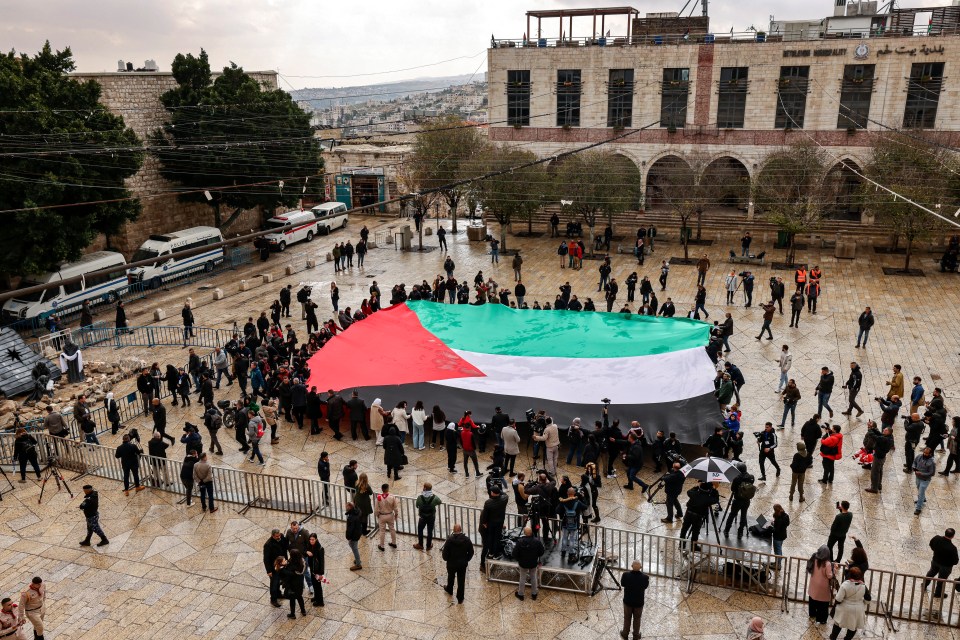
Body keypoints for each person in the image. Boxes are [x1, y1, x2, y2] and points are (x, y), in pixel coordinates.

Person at [831, 567, 868, 640]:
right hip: (858, 609)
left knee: (838, 623)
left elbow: (838, 599)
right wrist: (862, 603)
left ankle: (833, 637)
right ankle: (847, 639)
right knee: (853, 626)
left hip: (844, 608)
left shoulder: (845, 584)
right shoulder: (864, 586)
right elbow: (868, 599)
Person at [479, 485, 508, 570]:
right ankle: (494, 553)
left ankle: (488, 557)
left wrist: (484, 523)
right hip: (499, 523)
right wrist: (499, 490)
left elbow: (484, 517)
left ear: (492, 493)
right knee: (496, 538)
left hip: (490, 525)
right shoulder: (504, 499)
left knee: (488, 543)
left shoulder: (488, 503)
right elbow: (505, 494)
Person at [924, 528, 959, 598]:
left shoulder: (936, 538)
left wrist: (936, 551)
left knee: (931, 573)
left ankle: (924, 585)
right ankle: (938, 593)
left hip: (935, 561)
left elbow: (931, 544)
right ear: (953, 536)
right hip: (946, 567)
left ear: (945, 533)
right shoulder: (952, 548)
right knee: (941, 579)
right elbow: (955, 561)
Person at [514, 525, 545, 601]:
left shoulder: (520, 542)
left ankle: (521, 594)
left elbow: (514, 553)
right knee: (533, 577)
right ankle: (534, 593)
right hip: (533, 563)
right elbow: (542, 552)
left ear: (524, 533)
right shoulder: (537, 541)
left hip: (523, 563)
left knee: (522, 578)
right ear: (531, 533)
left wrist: (519, 559)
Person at [620, 560, 649, 640]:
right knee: (637, 619)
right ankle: (636, 635)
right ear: (641, 567)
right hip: (639, 603)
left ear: (631, 566)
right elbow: (645, 587)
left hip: (627, 602)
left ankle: (625, 633)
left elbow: (622, 584)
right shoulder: (645, 577)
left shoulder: (625, 575)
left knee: (627, 618)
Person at [724, 464, 755, 538]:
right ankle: (740, 532)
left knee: (732, 515)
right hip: (746, 500)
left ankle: (727, 530)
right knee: (743, 516)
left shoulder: (737, 478)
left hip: (737, 500)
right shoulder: (751, 477)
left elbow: (733, 489)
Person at [807, 545, 835, 624]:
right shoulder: (827, 564)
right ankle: (821, 619)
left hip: (813, 583)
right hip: (823, 586)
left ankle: (812, 614)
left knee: (812, 599)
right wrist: (835, 570)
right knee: (823, 603)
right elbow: (829, 575)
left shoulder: (814, 559)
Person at [263, 529, 288, 607]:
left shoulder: (282, 537)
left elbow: (285, 546)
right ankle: (273, 599)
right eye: (277, 536)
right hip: (274, 567)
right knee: (274, 583)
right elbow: (266, 559)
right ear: (272, 536)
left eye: (279, 535)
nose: (278, 537)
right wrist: (269, 571)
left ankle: (279, 594)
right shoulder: (268, 545)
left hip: (282, 564)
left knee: (279, 581)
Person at [414, 483, 441, 551]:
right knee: (430, 531)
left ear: (425, 488)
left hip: (422, 517)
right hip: (431, 517)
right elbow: (440, 502)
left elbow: (417, 505)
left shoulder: (420, 497)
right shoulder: (434, 498)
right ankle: (428, 546)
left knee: (420, 530)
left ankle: (420, 544)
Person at [282, 550, 308, 619]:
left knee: (292, 599)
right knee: (300, 597)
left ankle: (292, 614)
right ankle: (303, 611)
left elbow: (288, 574)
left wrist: (283, 568)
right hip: (300, 583)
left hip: (292, 584)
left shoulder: (291, 565)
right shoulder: (302, 562)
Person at [375, 483, 399, 551]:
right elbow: (395, 507)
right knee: (392, 529)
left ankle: (382, 546)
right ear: (387, 489)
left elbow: (376, 509)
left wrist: (377, 515)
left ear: (382, 489)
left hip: (382, 515)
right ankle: (394, 543)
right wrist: (396, 514)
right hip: (390, 514)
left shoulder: (379, 497)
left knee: (382, 531)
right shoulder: (392, 497)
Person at [913, 446, 936, 515]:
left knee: (920, 492)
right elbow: (914, 462)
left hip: (925, 480)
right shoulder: (919, 456)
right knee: (918, 488)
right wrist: (914, 467)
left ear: (930, 454)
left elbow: (932, 473)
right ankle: (923, 498)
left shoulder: (932, 462)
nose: (925, 454)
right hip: (918, 477)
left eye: (926, 453)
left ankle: (918, 508)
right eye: (924, 452)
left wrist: (921, 473)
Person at [304, 534, 325, 607]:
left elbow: (322, 562)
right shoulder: (310, 546)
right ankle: (316, 597)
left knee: (318, 586)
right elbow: (304, 550)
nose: (311, 541)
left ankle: (320, 601)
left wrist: (320, 573)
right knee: (314, 584)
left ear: (316, 539)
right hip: (312, 569)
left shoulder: (320, 548)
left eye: (313, 539)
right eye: (310, 539)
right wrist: (306, 552)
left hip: (317, 571)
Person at [345, 502, 364, 571]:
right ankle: (357, 559)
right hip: (358, 532)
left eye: (346, 506)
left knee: (354, 547)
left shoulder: (351, 517)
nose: (345, 507)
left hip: (354, 535)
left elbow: (350, 529)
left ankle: (358, 564)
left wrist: (348, 537)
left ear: (350, 507)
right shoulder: (357, 512)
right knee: (352, 545)